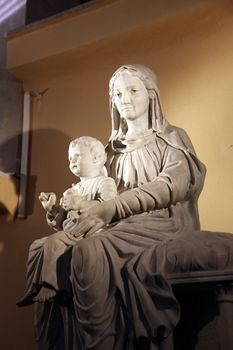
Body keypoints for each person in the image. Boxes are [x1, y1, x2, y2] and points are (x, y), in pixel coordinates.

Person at [21, 65, 233, 350]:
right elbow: (96, 200)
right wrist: (70, 214)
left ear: (151, 95)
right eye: (118, 93)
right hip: (117, 225)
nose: (125, 99)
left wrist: (113, 209)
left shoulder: (171, 138)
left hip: (162, 223)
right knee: (49, 248)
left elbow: (172, 185)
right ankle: (61, 342)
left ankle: (104, 341)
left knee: (90, 251)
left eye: (133, 91)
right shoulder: (108, 151)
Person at [18, 136, 117, 305]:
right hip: (71, 232)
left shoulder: (105, 183)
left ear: (96, 158)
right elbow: (64, 221)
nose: (72, 161)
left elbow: (108, 207)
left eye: (77, 156)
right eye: (70, 158)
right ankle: (34, 287)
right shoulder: (73, 189)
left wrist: (79, 203)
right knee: (36, 246)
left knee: (54, 242)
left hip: (91, 230)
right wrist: (53, 210)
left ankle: (51, 286)